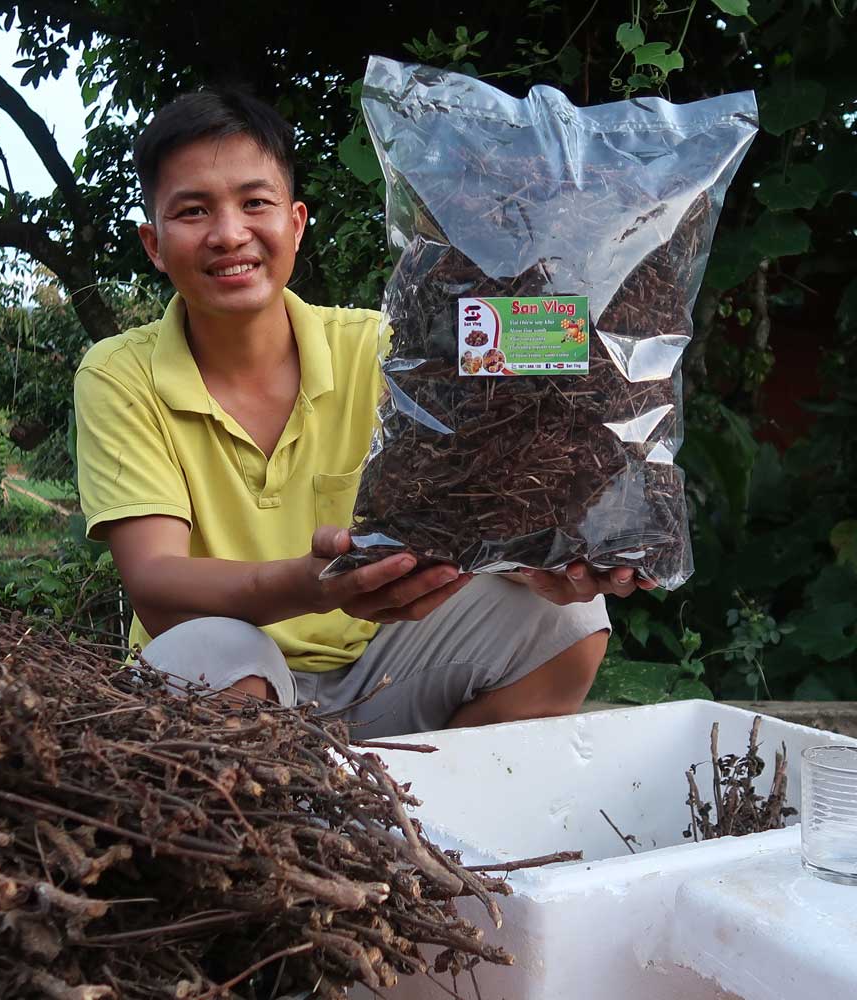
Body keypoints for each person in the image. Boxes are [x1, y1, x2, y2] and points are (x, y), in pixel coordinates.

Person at [74, 89, 653, 737]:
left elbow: (497, 473)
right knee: (213, 655)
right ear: (153, 243)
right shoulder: (119, 373)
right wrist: (314, 584)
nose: (229, 232)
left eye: (254, 202)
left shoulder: (385, 349)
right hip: (228, 687)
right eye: (193, 210)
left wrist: (557, 550)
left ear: (295, 224)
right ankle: (277, 822)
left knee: (568, 624)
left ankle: (426, 815)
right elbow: (155, 583)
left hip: (378, 668)